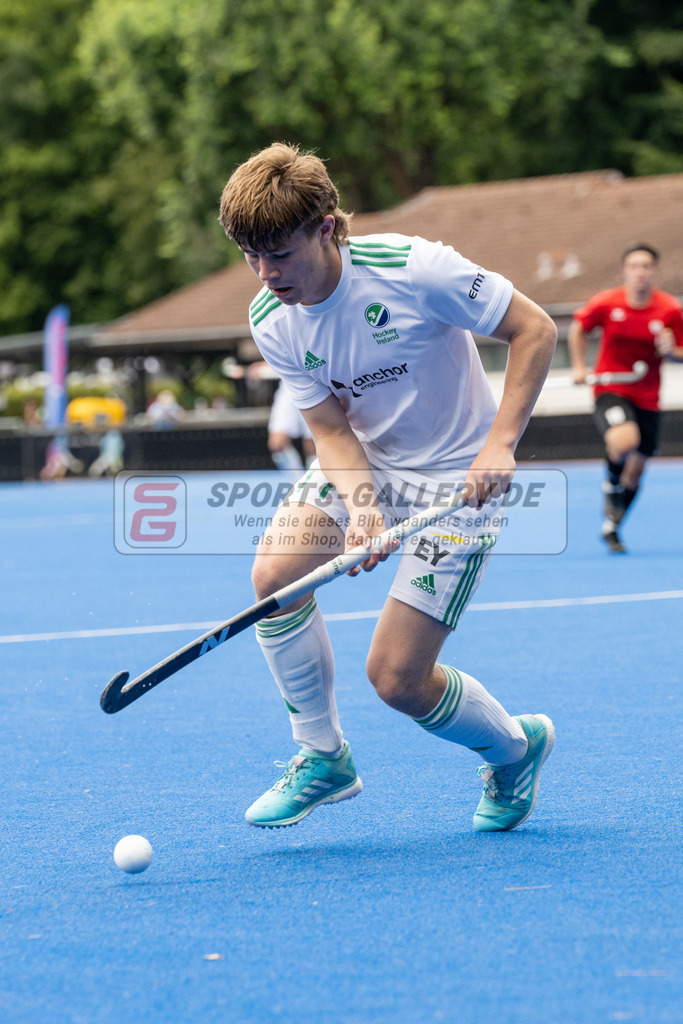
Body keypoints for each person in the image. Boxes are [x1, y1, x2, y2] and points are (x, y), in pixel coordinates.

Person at [218, 143, 558, 833]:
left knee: (397, 681)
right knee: (275, 577)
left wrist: (499, 443)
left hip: (456, 485)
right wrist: (365, 511)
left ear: (325, 226)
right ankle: (322, 756)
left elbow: (534, 329)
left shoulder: (415, 269)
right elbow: (331, 431)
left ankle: (514, 750)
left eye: (277, 253)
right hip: (366, 464)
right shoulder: (270, 318)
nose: (265, 273)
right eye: (251, 255)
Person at [568, 244, 683, 553]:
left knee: (636, 470)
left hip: (648, 397)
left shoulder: (670, 309)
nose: (640, 272)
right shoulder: (607, 303)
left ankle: (613, 526)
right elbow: (579, 328)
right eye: (634, 266)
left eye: (646, 266)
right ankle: (610, 487)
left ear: (654, 270)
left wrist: (672, 352)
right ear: (625, 271)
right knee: (624, 442)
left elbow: (680, 354)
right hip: (612, 388)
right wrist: (580, 366)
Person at [268, 378, 316, 470]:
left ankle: (318, 482)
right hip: (288, 387)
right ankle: (298, 481)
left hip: (314, 387)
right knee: (277, 445)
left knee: (314, 447)